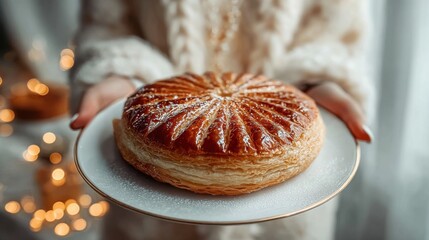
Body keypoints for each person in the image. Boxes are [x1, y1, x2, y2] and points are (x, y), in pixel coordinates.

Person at [70, 0, 372, 239]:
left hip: (289, 211)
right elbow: (107, 28)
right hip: (149, 205)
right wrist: (119, 72)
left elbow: (338, 37)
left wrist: (318, 80)